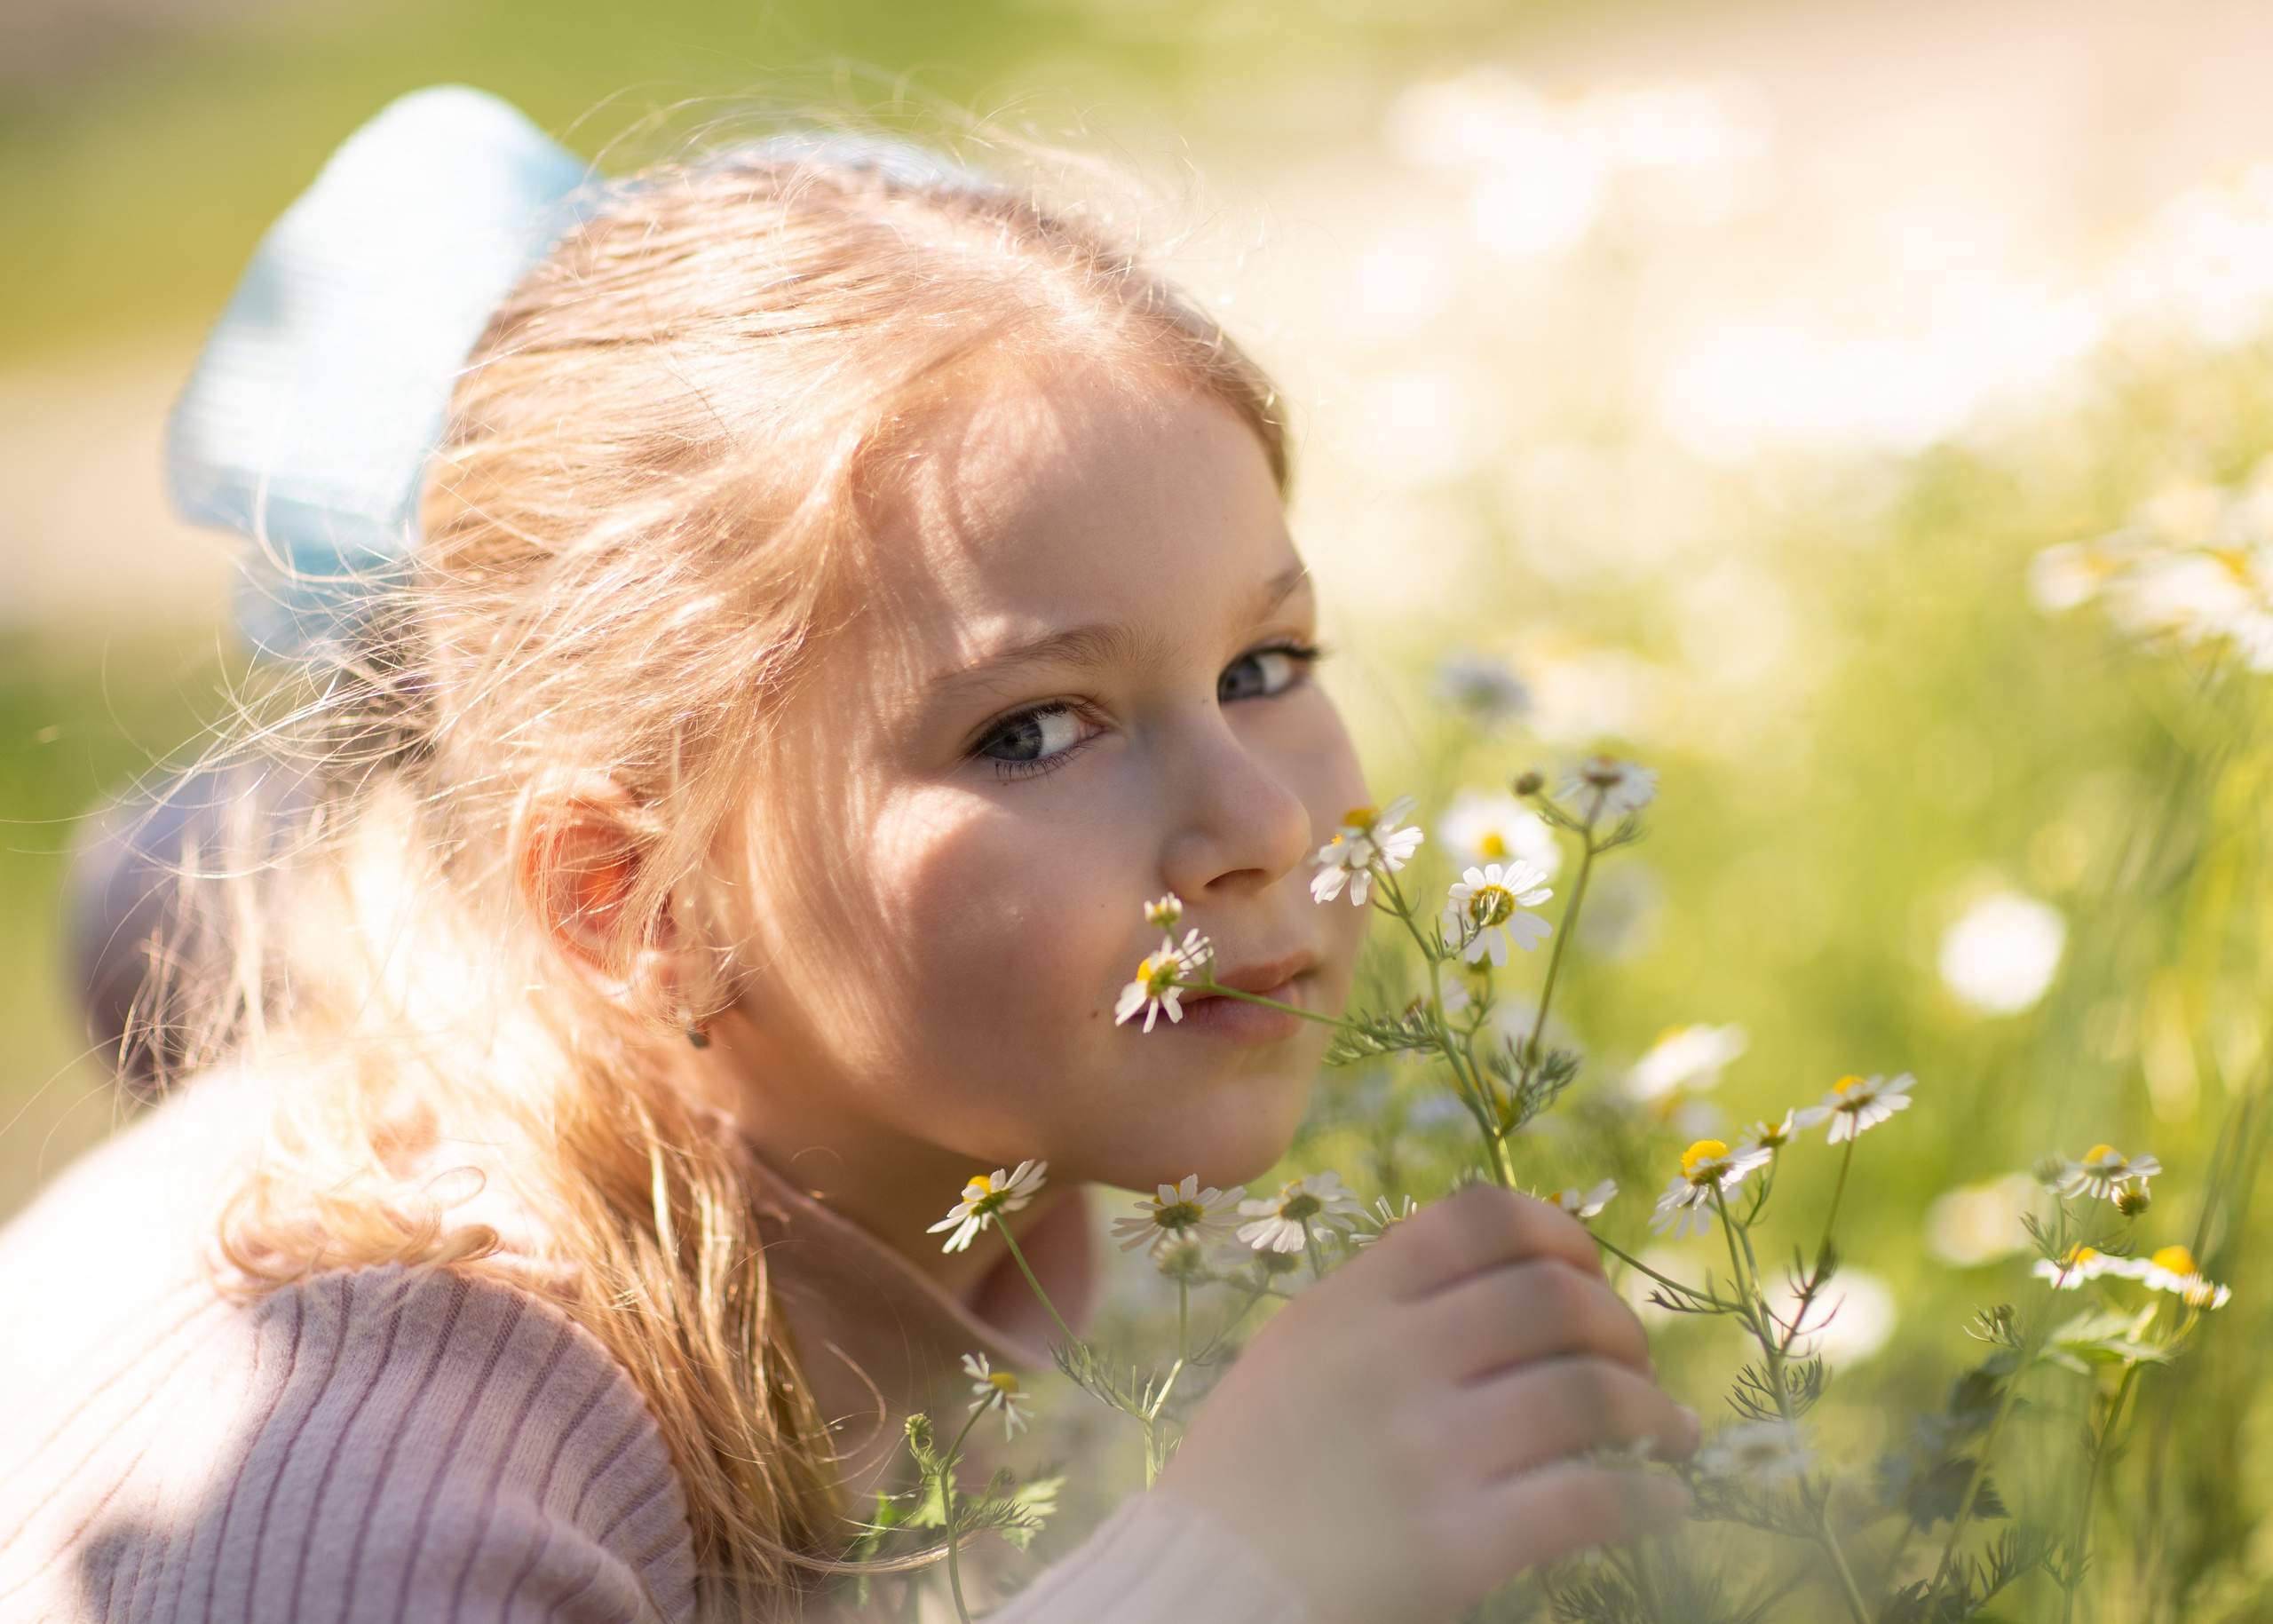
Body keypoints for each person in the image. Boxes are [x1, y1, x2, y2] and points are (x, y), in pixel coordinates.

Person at [0, 88, 1697, 1624]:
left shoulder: (916, 1156)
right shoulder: (389, 1454)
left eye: (1266, 667)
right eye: (1032, 729)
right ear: (632, 905)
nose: (1261, 823)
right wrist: (1215, 1578)